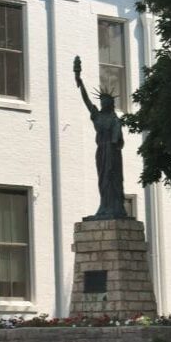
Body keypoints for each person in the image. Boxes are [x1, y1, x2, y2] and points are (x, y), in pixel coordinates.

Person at [73, 55, 129, 220]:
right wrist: (80, 81)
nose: (103, 103)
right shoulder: (97, 116)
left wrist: (115, 138)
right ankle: (104, 206)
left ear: (111, 104)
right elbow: (87, 101)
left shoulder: (114, 119)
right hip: (101, 151)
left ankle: (115, 207)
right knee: (103, 180)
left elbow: (117, 137)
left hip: (111, 150)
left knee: (112, 178)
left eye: (106, 101)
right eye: (102, 100)